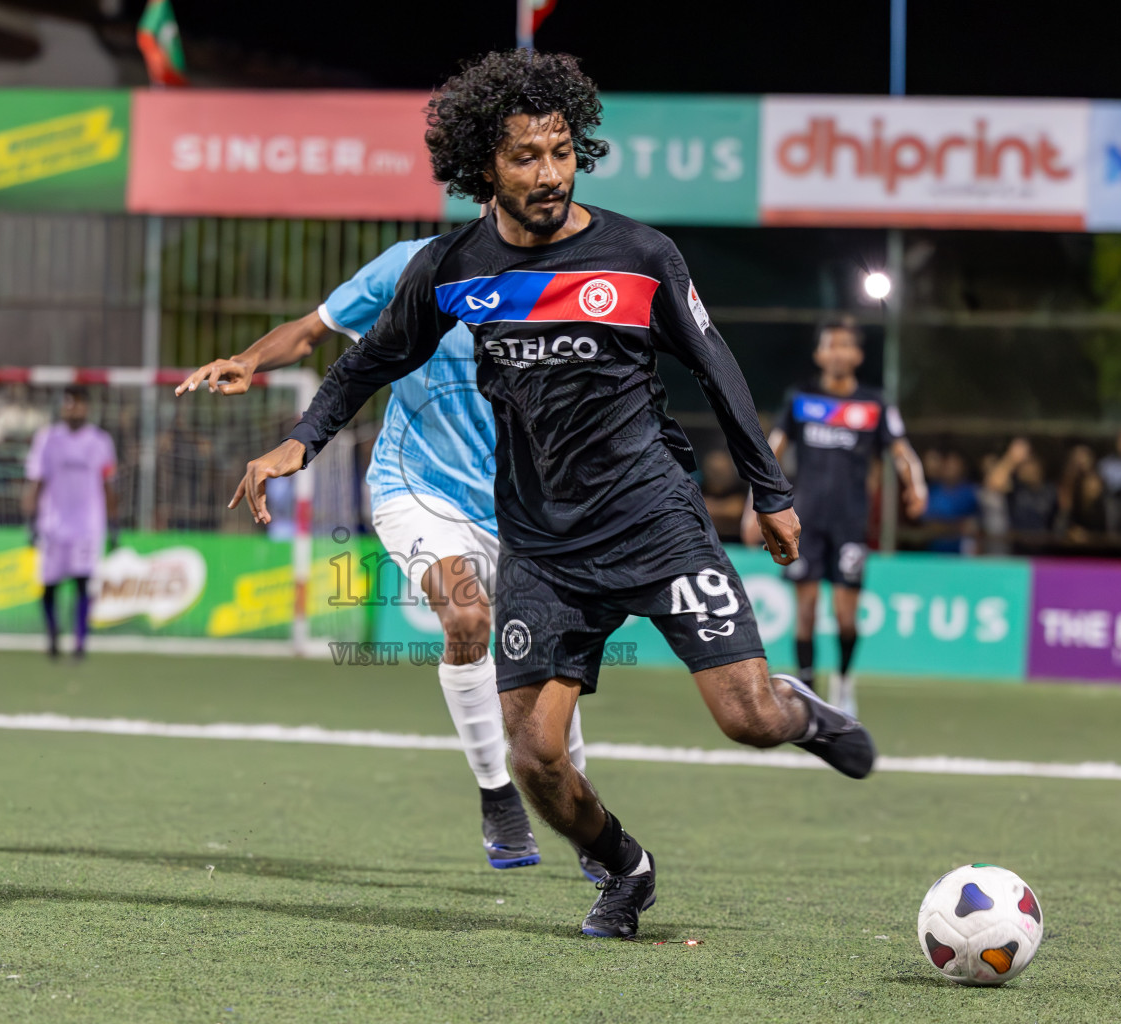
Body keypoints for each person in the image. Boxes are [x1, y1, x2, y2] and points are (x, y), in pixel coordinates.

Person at [228, 51, 874, 939]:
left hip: (655, 519)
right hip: (540, 542)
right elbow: (368, 362)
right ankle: (624, 869)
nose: (549, 174)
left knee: (748, 719)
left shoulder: (642, 255)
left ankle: (799, 710)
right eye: (526, 157)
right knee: (535, 757)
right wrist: (297, 443)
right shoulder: (453, 267)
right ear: (481, 168)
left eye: (562, 152)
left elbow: (716, 366)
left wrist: (770, 489)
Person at [177, 234, 595, 878]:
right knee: (466, 620)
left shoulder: (566, 281)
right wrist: (250, 358)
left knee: (544, 688)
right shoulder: (410, 265)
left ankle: (587, 824)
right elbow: (312, 330)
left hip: (523, 509)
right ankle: (495, 793)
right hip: (417, 486)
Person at [759, 318, 925, 716]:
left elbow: (901, 450)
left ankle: (845, 682)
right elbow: (772, 448)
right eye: (830, 345)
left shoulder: (874, 403)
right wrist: (760, 499)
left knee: (846, 617)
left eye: (845, 345)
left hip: (851, 523)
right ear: (819, 353)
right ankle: (807, 691)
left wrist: (915, 484)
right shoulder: (801, 398)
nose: (838, 352)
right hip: (806, 521)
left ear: (857, 355)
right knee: (807, 609)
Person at [22, 386, 117, 659]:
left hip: (88, 524)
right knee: (49, 585)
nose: (73, 408)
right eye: (69, 403)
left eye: (79, 403)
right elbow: (37, 480)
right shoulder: (47, 439)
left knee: (82, 583)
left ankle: (80, 642)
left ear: (88, 407)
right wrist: (31, 519)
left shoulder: (101, 441)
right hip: (53, 524)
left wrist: (114, 525)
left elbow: (108, 485)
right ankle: (52, 635)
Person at [922, 451, 981, 553]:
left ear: (962, 467)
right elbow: (928, 523)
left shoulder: (971, 492)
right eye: (948, 465)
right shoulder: (933, 491)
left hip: (964, 556)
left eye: (955, 465)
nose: (951, 468)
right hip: (935, 554)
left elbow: (974, 525)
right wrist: (955, 527)